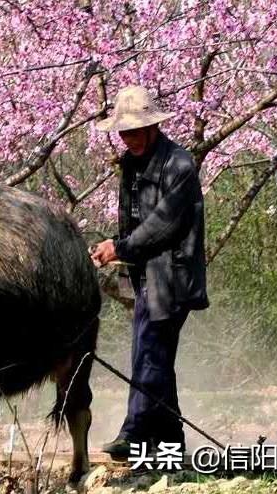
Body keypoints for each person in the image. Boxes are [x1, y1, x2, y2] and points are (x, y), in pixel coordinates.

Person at [88, 84, 209, 461]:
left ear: (153, 127)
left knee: (150, 354)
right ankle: (171, 442)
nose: (128, 138)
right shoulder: (132, 164)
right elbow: (135, 223)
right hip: (145, 276)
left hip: (171, 277)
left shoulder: (180, 165)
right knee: (155, 357)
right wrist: (115, 244)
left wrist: (119, 248)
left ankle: (134, 433)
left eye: (135, 131)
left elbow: (163, 225)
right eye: (123, 133)